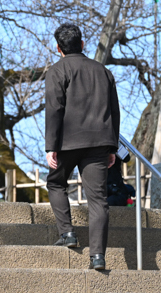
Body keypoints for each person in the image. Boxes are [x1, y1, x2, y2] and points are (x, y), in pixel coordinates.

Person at [45, 22, 120, 270]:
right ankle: (98, 256)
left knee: (56, 183)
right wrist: (112, 148)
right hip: (99, 143)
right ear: (83, 44)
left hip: (67, 142)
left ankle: (67, 233)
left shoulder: (57, 70)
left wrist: (50, 146)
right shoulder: (103, 72)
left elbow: (54, 110)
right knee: (98, 200)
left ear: (58, 48)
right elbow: (114, 111)